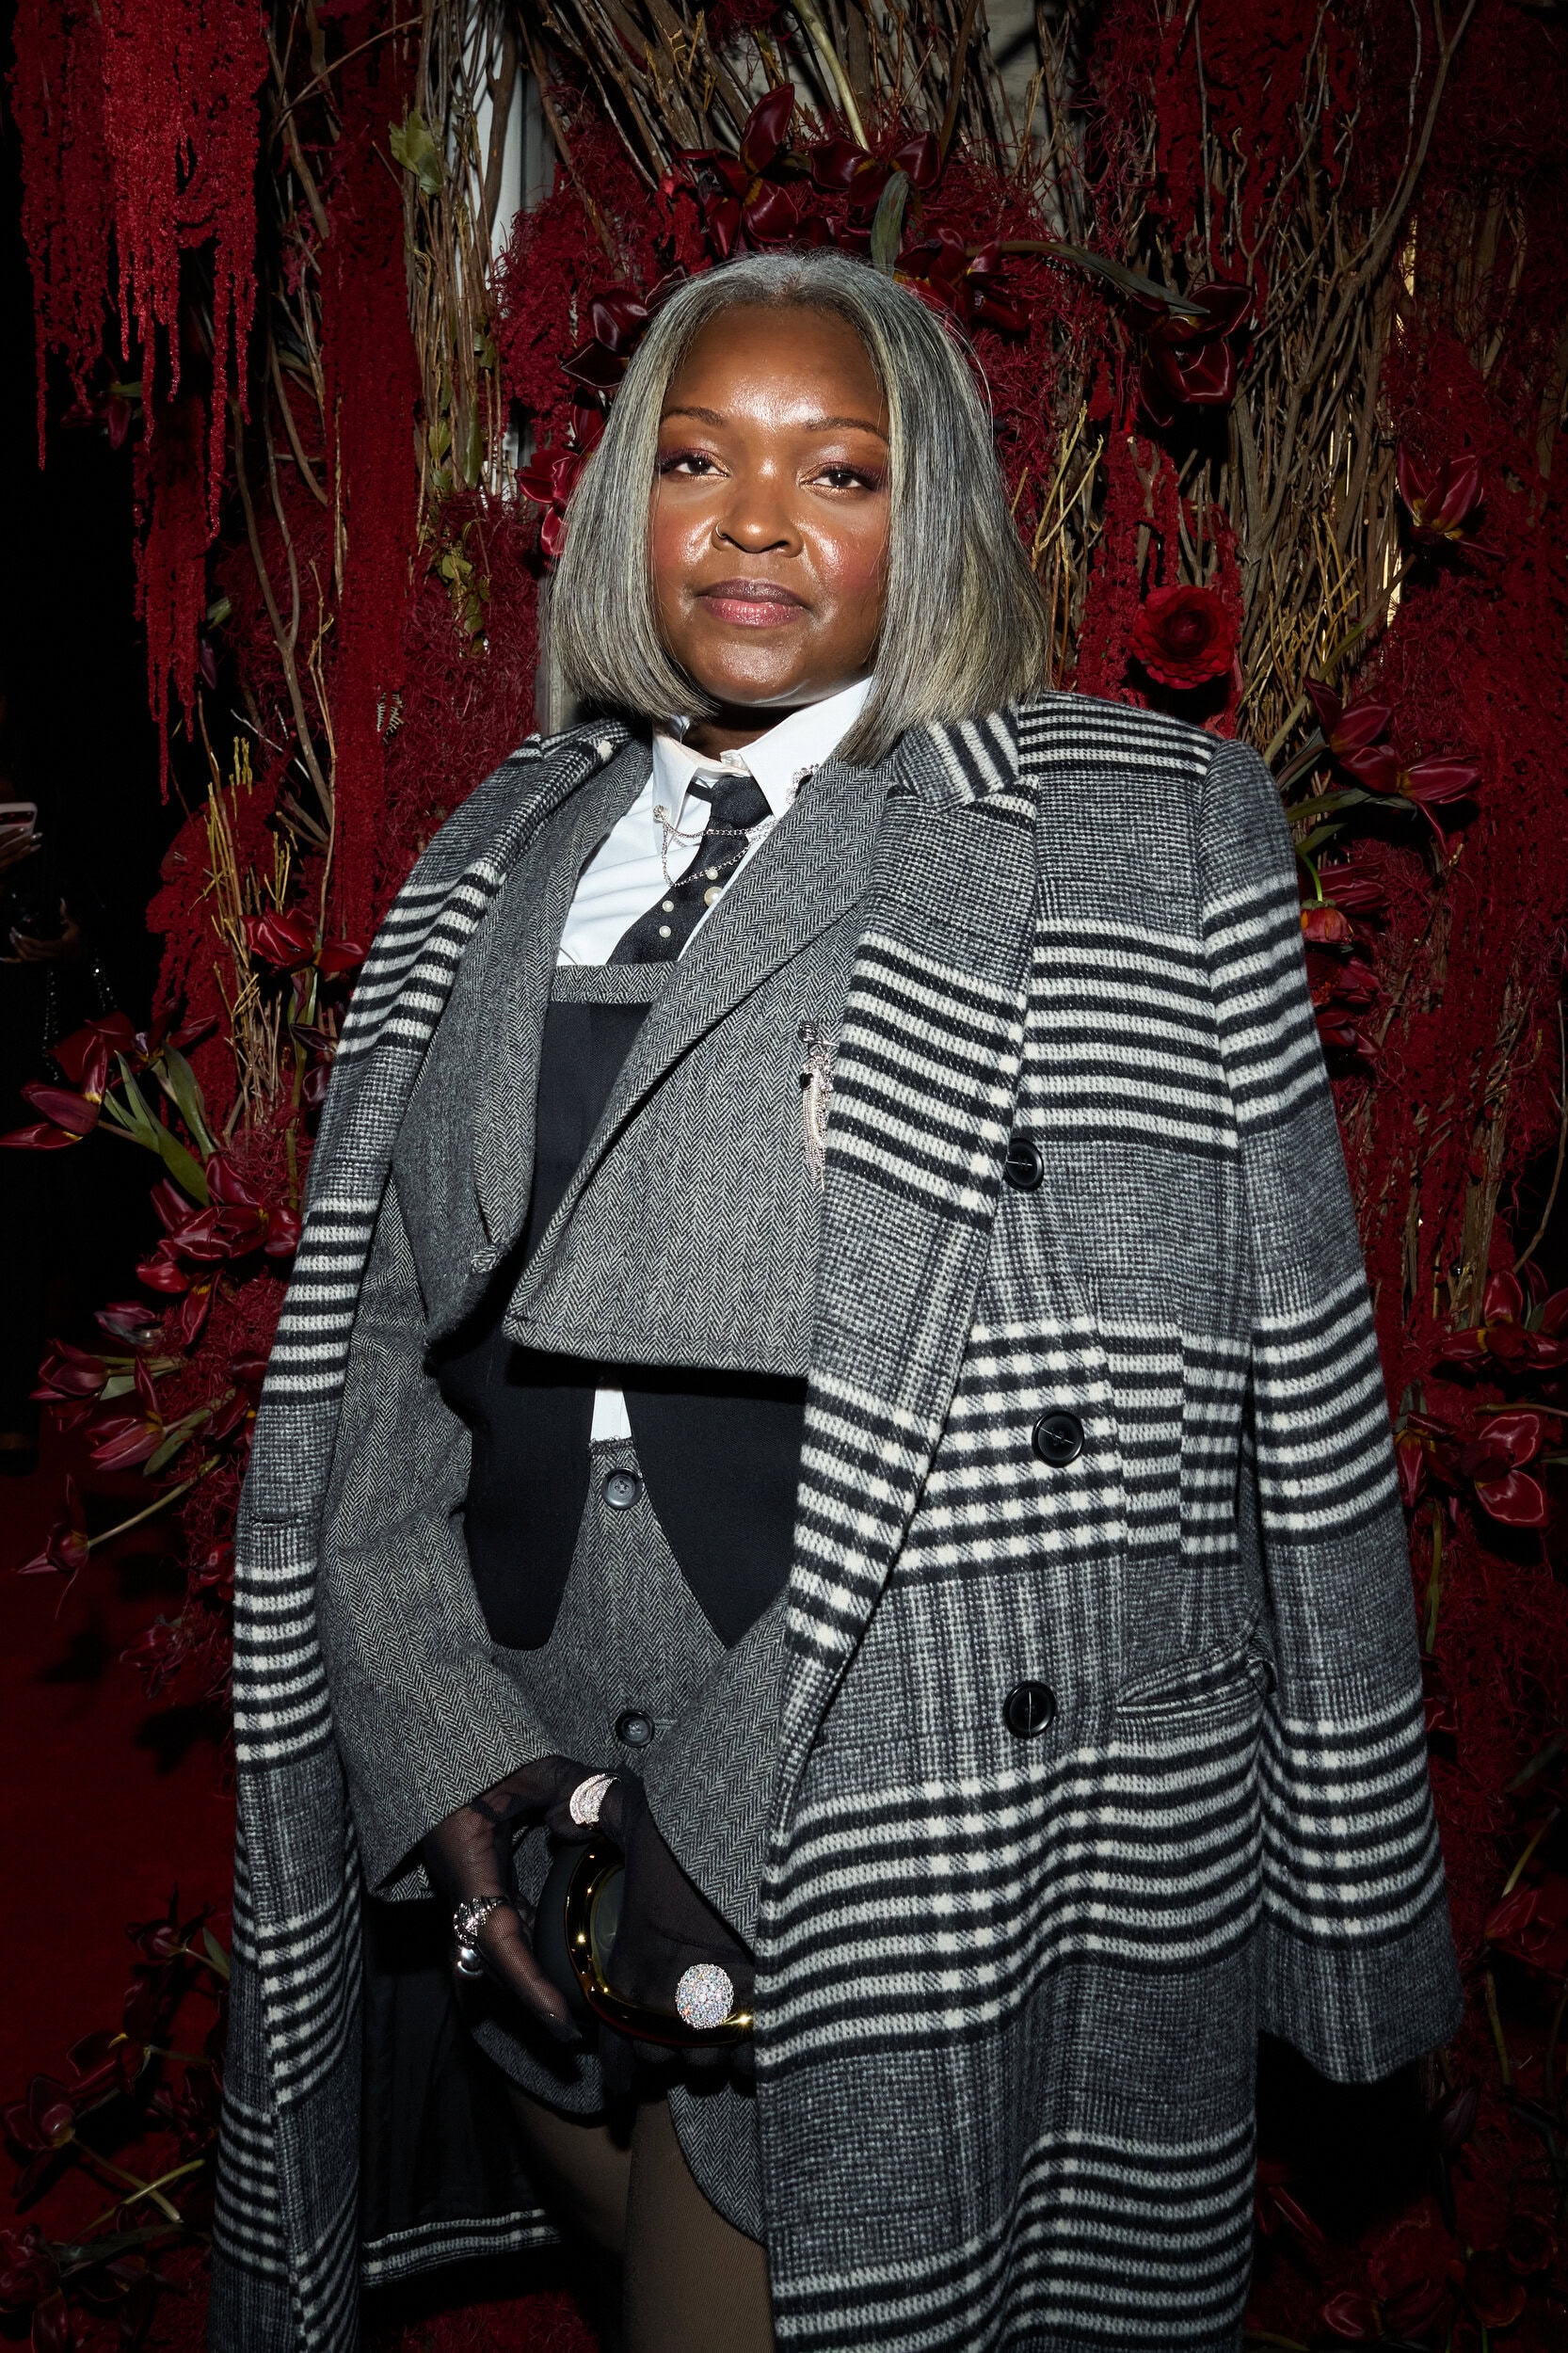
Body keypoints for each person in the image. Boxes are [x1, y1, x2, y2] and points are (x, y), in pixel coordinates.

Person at [211, 249, 1462, 2353]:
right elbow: (382, 1362)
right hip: (526, 1781)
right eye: (695, 459)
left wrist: (741, 1810)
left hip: (887, 1783)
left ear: (931, 511)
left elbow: (1214, 1400)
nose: (757, 522)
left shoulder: (1123, 832)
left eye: (840, 470)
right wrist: (439, 1740)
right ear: (627, 506)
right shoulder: (501, 842)